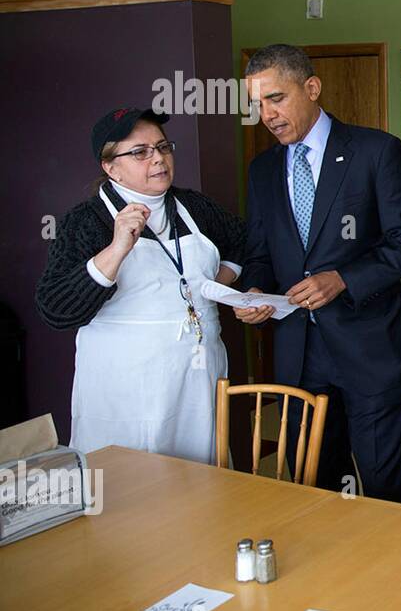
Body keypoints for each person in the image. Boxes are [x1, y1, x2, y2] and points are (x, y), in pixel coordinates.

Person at [234, 44, 401, 503]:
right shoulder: (262, 170)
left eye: (276, 99)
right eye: (257, 104)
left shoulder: (375, 152)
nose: (266, 114)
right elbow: (261, 253)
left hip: (370, 351)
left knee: (383, 489)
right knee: (312, 488)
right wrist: (255, 292)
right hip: (298, 357)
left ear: (312, 88)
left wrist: (343, 278)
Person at [36, 107, 245, 462]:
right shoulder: (87, 222)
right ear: (110, 167)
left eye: (163, 147)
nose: (159, 159)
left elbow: (244, 242)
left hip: (194, 382)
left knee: (200, 486)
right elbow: (55, 309)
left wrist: (213, 286)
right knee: (131, 491)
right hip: (125, 387)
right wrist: (117, 249)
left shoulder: (194, 207)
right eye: (140, 152)